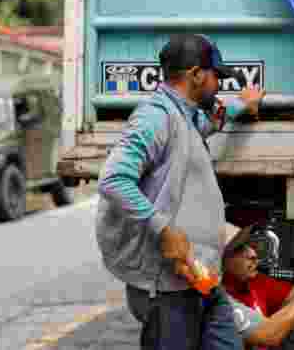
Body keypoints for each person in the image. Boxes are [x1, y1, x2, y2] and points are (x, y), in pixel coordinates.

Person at [96, 34, 266, 350]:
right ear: (196, 75)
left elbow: (208, 122)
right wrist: (163, 229)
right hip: (168, 287)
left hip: (201, 278)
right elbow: (113, 180)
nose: (218, 85)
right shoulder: (155, 116)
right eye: (216, 77)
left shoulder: (183, 115)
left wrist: (244, 104)